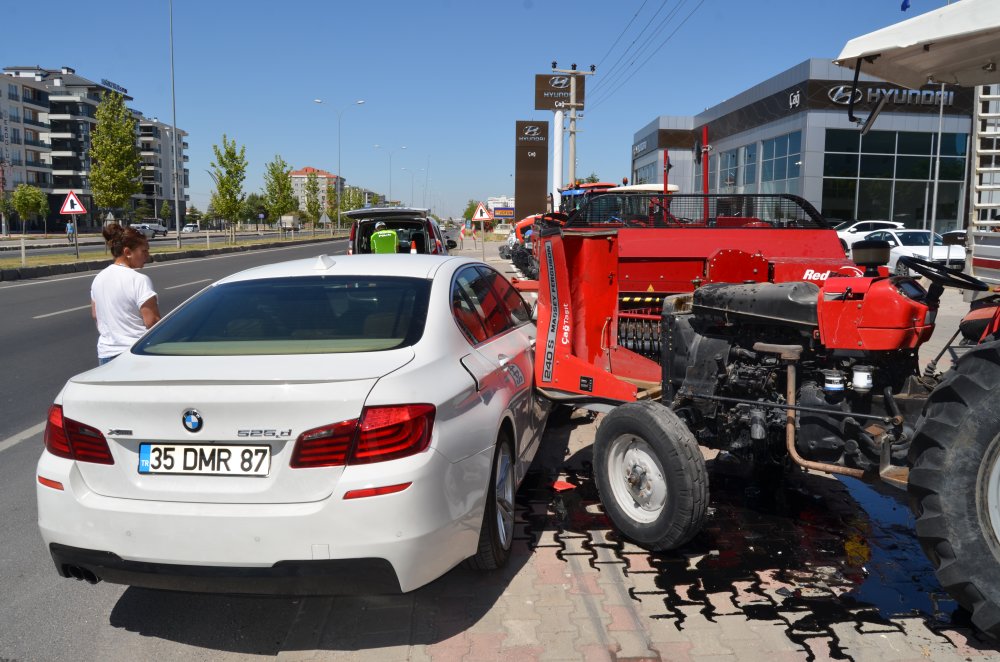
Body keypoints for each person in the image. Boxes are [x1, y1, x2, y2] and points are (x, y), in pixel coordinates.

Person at [91, 224, 161, 364]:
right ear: (128, 252)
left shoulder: (98, 278)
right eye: (144, 251)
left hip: (105, 353)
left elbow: (95, 314)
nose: (147, 255)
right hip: (134, 353)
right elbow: (152, 322)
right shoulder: (139, 280)